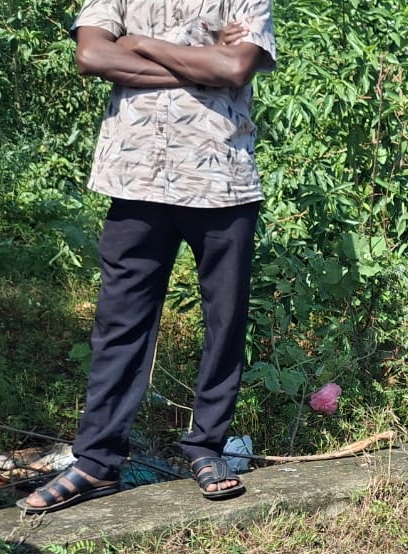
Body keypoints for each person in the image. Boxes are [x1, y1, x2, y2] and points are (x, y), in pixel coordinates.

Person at [18, 1, 276, 514]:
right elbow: (91, 56)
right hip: (134, 180)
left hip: (222, 179)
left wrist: (137, 45)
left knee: (224, 323)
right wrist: (196, 62)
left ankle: (206, 447)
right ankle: (95, 461)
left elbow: (235, 67)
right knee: (120, 323)